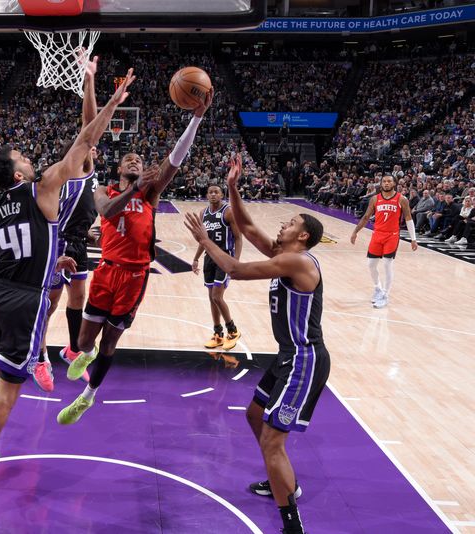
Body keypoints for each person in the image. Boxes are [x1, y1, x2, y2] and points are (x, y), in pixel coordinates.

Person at [0, 64, 136, 505]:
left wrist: (53, 255)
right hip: (25, 301)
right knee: (11, 391)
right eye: (23, 160)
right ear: (18, 175)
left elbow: (4, 249)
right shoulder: (44, 187)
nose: (30, 161)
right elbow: (86, 141)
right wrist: (112, 99)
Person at [184, 155, 330, 534]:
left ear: (302, 236)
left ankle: (291, 520)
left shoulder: (299, 263)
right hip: (287, 357)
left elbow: (235, 269)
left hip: (304, 359)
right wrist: (233, 187)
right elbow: (246, 226)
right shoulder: (285, 255)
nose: (284, 223)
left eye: (291, 222)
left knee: (272, 439)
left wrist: (204, 240)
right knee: (254, 416)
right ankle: (280, 476)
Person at [56, 84, 213, 425]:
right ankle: (86, 353)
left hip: (134, 276)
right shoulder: (103, 190)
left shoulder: (152, 191)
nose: (135, 162)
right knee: (83, 342)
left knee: (111, 341)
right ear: (119, 170)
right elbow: (109, 212)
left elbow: (176, 157)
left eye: (139, 161)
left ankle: (88, 396)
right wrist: (134, 188)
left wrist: (196, 118)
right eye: (130, 160)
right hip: (107, 273)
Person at [34, 58, 102, 392]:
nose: (93, 149)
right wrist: (89, 82)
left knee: (79, 297)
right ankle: (40, 356)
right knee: (50, 304)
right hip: (57, 243)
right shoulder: (75, 167)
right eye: (88, 149)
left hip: (76, 239)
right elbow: (88, 125)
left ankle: (72, 348)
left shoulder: (87, 171)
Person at [350, 174, 417, 309]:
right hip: (377, 235)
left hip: (392, 235)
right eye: (384, 181)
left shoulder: (401, 199)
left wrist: (413, 239)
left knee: (387, 264)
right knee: (371, 264)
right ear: (381, 184)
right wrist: (355, 231)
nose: (386, 183)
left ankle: (385, 295)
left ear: (394, 184)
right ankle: (378, 288)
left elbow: (409, 218)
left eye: (389, 181)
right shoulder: (375, 199)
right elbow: (366, 217)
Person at [191, 184, 243, 351]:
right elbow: (203, 240)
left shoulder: (228, 212)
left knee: (217, 296)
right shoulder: (203, 214)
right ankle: (218, 334)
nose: (213, 194)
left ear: (222, 195)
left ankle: (233, 331)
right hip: (209, 258)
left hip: (225, 257)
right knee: (211, 298)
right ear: (207, 195)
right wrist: (196, 258)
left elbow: (238, 238)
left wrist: (236, 261)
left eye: (216, 192)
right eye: (210, 192)